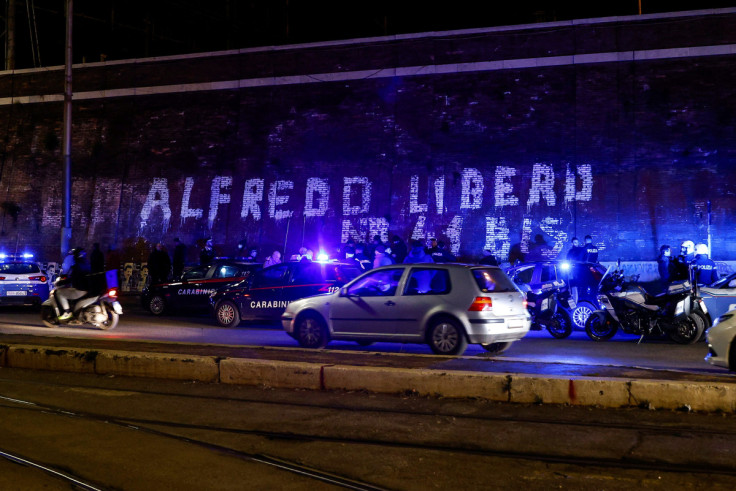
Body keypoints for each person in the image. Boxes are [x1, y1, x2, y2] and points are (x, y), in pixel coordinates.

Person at [56, 248, 91, 321]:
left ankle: (67, 312)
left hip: (79, 290)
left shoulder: (76, 267)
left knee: (60, 293)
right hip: (88, 289)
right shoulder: (88, 264)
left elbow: (71, 279)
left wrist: (60, 283)